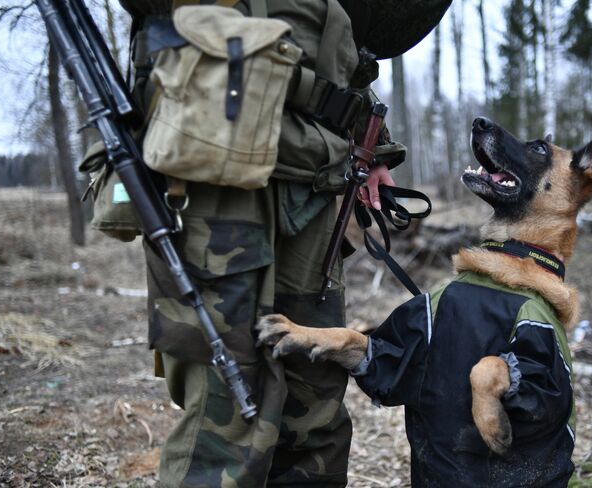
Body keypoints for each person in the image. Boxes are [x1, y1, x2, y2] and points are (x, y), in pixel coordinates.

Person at [116, 0, 451, 485]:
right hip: (215, 165)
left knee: (313, 410)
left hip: (316, 172)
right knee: (229, 415)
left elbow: (340, 32)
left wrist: (372, 140)